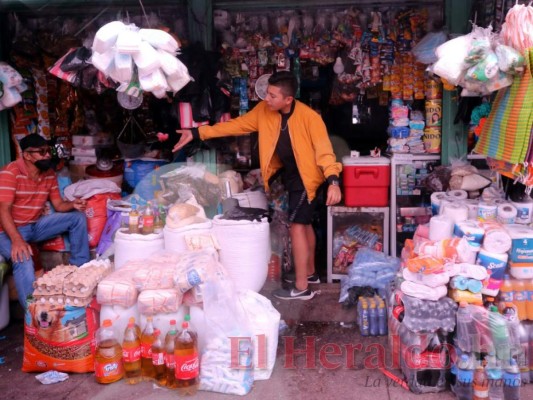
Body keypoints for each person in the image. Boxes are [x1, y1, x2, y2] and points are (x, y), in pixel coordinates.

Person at [172, 71, 342, 300]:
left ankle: (301, 287)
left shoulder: (310, 118)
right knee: (305, 223)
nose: (267, 99)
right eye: (267, 94)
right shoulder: (265, 111)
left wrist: (333, 181)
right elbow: (237, 125)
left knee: (297, 226)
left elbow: (325, 152)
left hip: (308, 178)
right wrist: (197, 132)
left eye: (272, 95)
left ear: (288, 99)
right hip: (291, 175)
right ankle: (310, 273)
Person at [0, 134, 90, 308]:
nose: (47, 155)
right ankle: (31, 310)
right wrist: (17, 241)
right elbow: (3, 210)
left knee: (77, 218)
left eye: (48, 151)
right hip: (6, 231)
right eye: (42, 152)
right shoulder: (10, 173)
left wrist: (73, 204)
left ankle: (80, 270)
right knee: (23, 258)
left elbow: (58, 204)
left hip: (33, 226)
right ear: (27, 155)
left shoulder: (49, 174)